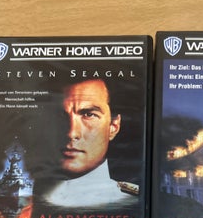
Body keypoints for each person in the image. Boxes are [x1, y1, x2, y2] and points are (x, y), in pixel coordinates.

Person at [43, 78, 138, 208]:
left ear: (113, 126)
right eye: (59, 115)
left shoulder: (132, 201)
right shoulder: (21, 200)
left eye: (89, 114)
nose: (72, 133)